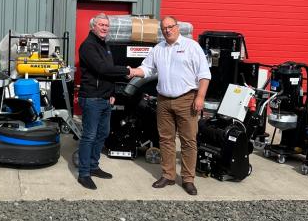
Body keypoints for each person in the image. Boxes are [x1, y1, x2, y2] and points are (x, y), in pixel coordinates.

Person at [130, 16, 211, 195]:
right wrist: (133, 71)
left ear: (177, 27)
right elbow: (147, 68)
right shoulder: (158, 48)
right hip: (164, 100)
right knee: (166, 139)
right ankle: (168, 175)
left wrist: (200, 97)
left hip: (186, 99)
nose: (167, 30)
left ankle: (188, 179)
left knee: (188, 141)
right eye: (164, 28)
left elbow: (204, 74)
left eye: (170, 27)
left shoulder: (191, 46)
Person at [76, 13, 131, 189]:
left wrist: (113, 92)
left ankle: (93, 166)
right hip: (92, 98)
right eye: (101, 24)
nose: (104, 28)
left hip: (106, 98)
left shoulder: (105, 45)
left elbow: (109, 73)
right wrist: (128, 70)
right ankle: (84, 173)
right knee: (89, 136)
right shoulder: (88, 46)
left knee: (103, 134)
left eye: (107, 25)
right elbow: (102, 68)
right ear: (93, 26)